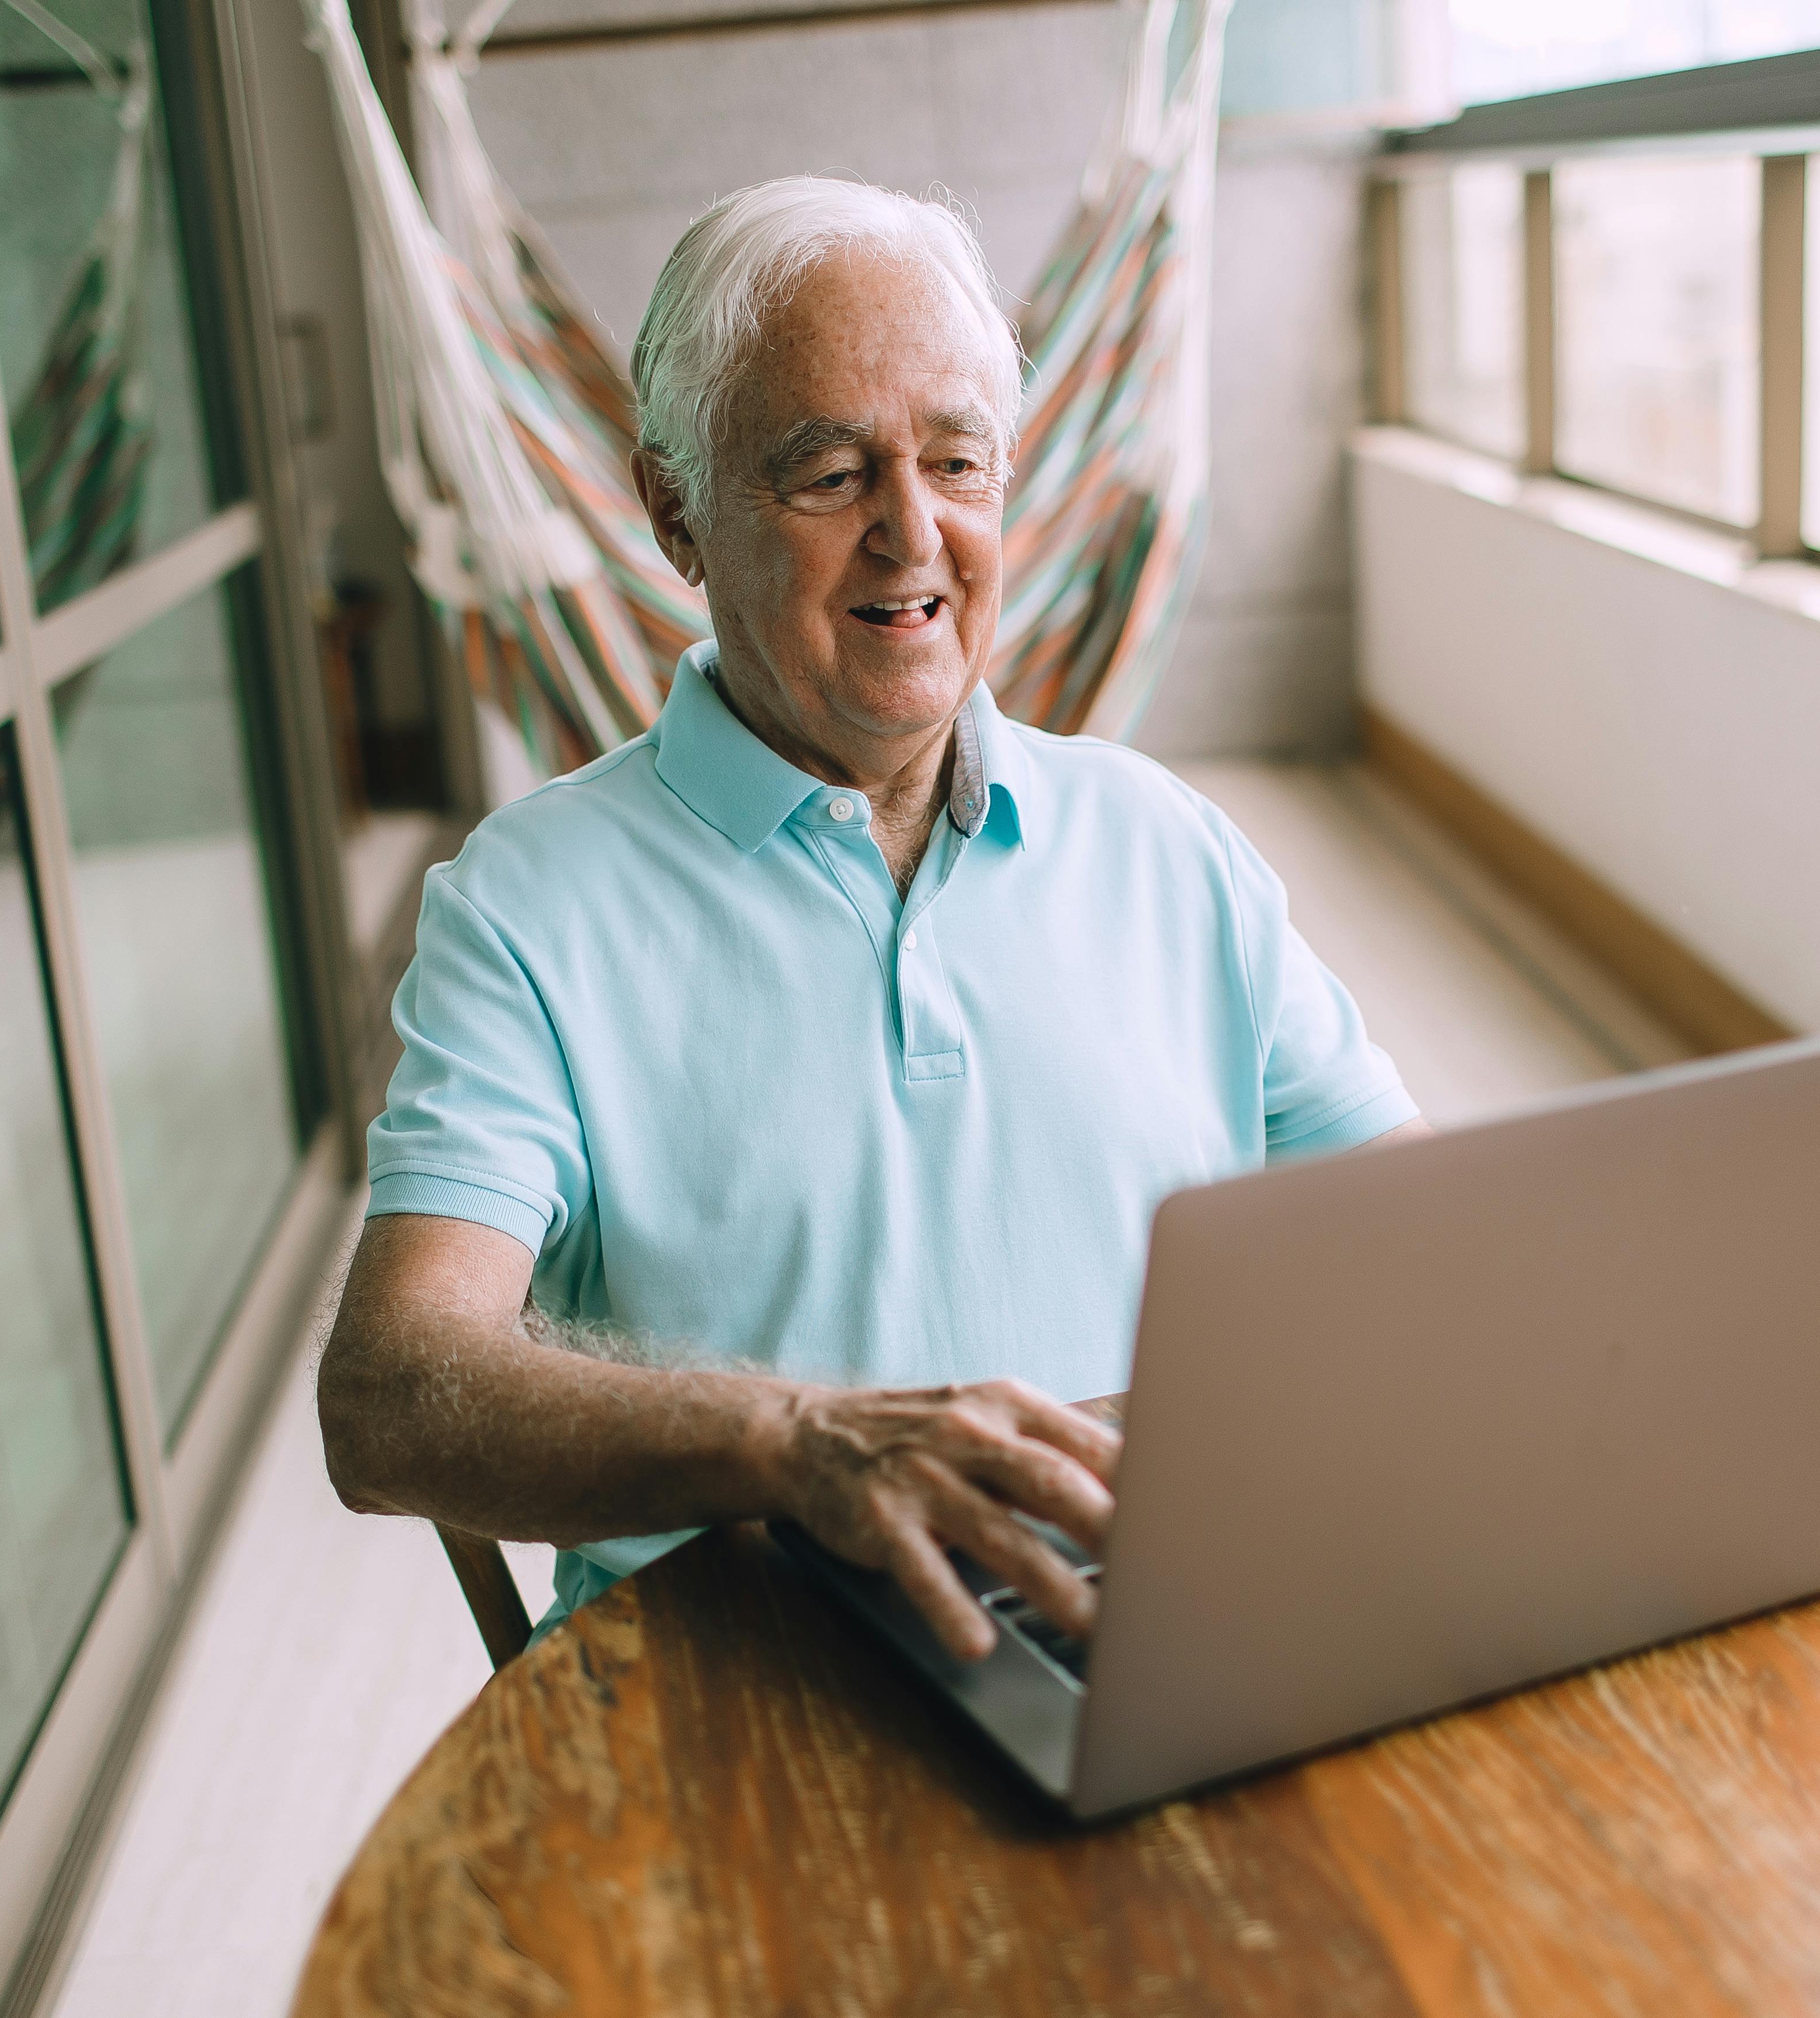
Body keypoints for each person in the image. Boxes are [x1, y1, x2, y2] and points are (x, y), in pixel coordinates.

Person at [319, 176, 1417, 1661]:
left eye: (958, 464)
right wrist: (804, 1444)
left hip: (1159, 1621)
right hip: (744, 1679)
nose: (914, 537)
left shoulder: (1168, 843)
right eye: (828, 475)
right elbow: (392, 1394)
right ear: (675, 516)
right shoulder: (525, 908)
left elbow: (1425, 1249)